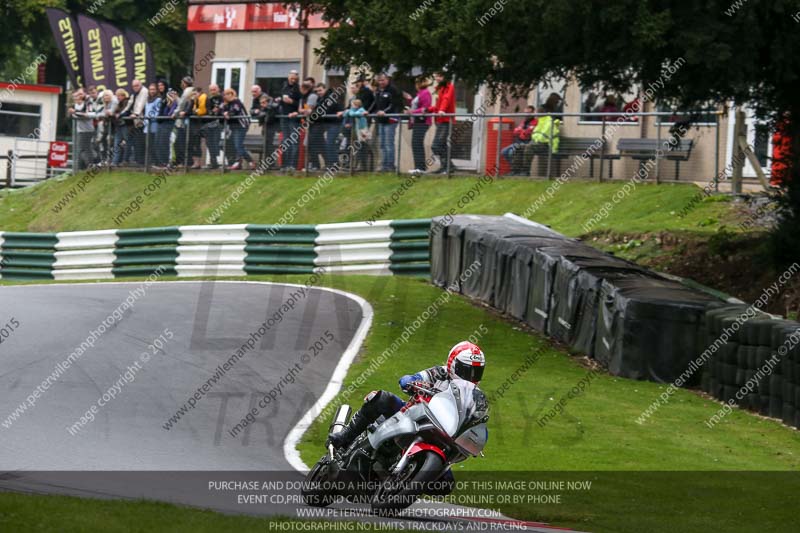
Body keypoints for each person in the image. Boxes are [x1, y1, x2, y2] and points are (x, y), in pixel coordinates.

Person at [327, 341, 488, 451]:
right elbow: (416, 378)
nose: (471, 377)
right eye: (467, 371)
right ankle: (345, 437)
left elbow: (477, 420)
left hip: (442, 433)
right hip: (412, 416)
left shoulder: (475, 397)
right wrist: (412, 381)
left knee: (446, 485)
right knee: (382, 398)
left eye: (476, 372)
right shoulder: (440, 373)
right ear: (453, 365)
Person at [523, 93, 562, 177]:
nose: (537, 114)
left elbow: (545, 136)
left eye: (538, 112)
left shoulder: (550, 121)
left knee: (528, 147)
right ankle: (518, 171)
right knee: (519, 147)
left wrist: (535, 141)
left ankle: (525, 171)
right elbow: (536, 133)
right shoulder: (541, 121)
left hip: (546, 145)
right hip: (538, 142)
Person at [373, 73, 402, 172]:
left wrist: (385, 112)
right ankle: (384, 166)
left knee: (389, 143)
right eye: (379, 80)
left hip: (390, 120)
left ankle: (390, 166)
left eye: (383, 80)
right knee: (382, 144)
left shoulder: (393, 90)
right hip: (381, 121)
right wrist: (369, 111)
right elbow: (375, 104)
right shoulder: (378, 91)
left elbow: (395, 104)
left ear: (387, 80)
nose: (381, 82)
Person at [429, 72, 456, 173]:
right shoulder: (439, 88)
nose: (437, 78)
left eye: (440, 76)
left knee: (436, 145)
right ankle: (446, 167)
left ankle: (449, 166)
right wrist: (428, 109)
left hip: (445, 120)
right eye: (436, 76)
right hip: (439, 120)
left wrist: (442, 110)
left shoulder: (449, 86)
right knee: (442, 144)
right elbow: (438, 105)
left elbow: (446, 99)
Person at [222, 88, 253, 170]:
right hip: (233, 127)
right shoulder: (226, 104)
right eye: (225, 94)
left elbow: (235, 110)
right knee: (230, 144)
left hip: (242, 125)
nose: (227, 96)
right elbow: (221, 111)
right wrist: (223, 113)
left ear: (232, 94)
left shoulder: (237, 102)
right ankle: (237, 162)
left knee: (238, 145)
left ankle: (250, 161)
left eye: (229, 94)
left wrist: (228, 113)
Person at [407, 77, 433, 174]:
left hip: (423, 121)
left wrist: (411, 111)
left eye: (416, 83)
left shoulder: (425, 93)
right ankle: (418, 167)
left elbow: (425, 108)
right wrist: (410, 100)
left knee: (417, 143)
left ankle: (420, 168)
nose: (415, 85)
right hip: (418, 122)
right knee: (416, 143)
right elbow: (417, 105)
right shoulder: (420, 93)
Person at [501, 105, 537, 175]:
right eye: (525, 113)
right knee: (504, 152)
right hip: (518, 142)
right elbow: (515, 131)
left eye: (529, 113)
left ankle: (516, 170)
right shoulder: (523, 122)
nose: (527, 115)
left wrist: (522, 131)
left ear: (533, 113)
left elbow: (528, 132)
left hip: (527, 143)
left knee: (511, 152)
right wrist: (522, 131)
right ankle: (516, 168)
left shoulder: (535, 122)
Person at [315, 83, 343, 170]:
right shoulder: (320, 99)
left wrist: (321, 113)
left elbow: (329, 108)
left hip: (335, 123)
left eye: (320, 90)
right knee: (328, 144)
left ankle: (334, 164)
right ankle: (330, 163)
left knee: (330, 143)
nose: (319, 92)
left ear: (325, 89)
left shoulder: (331, 97)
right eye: (317, 91)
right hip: (327, 124)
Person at [278, 69, 302, 170]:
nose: (293, 80)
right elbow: (279, 97)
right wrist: (280, 100)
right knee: (284, 141)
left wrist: (291, 101)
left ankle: (293, 165)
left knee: (294, 142)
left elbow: (301, 104)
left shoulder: (298, 88)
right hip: (284, 116)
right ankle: (284, 165)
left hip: (294, 118)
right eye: (291, 78)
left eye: (294, 79)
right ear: (288, 77)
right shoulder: (283, 86)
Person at [339, 98, 370, 170]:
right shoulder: (351, 110)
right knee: (349, 148)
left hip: (361, 132)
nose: (351, 106)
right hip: (353, 133)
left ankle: (362, 166)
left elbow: (352, 114)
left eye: (352, 105)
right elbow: (346, 114)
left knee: (360, 148)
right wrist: (345, 112)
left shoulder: (361, 110)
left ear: (357, 105)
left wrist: (348, 111)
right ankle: (348, 165)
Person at [91, 89, 117, 165]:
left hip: (113, 125)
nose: (105, 97)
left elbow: (110, 113)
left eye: (107, 95)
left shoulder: (114, 101)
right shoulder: (104, 103)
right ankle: (104, 160)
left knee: (110, 140)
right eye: (104, 96)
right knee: (102, 141)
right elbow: (100, 113)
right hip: (105, 125)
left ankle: (111, 160)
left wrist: (104, 114)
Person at [203, 84, 224, 169]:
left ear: (218, 89)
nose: (213, 91)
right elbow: (208, 111)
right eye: (211, 90)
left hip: (220, 124)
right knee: (209, 143)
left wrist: (218, 110)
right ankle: (213, 162)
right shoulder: (209, 99)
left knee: (217, 143)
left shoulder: (222, 98)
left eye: (214, 89)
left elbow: (223, 109)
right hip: (210, 124)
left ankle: (228, 162)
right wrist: (212, 112)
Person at [128, 79, 148, 165]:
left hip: (142, 121)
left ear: (141, 84)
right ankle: (139, 161)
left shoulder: (144, 91)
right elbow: (130, 104)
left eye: (137, 85)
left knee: (142, 142)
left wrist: (136, 114)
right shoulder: (135, 94)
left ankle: (143, 162)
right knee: (137, 142)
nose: (135, 87)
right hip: (137, 122)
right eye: (134, 86)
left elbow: (141, 104)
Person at [111, 88, 131, 166]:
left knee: (127, 142)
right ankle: (115, 161)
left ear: (123, 95)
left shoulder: (126, 102)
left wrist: (117, 114)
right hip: (119, 126)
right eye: (117, 96)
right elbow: (115, 112)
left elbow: (125, 111)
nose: (118, 97)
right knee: (117, 143)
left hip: (126, 126)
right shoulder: (119, 103)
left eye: (119, 96)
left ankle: (126, 160)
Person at [144, 83, 162, 167]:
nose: (151, 91)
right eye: (150, 89)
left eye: (153, 89)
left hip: (154, 124)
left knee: (155, 144)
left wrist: (150, 117)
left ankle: (156, 162)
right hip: (147, 125)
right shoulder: (147, 99)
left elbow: (157, 111)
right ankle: (149, 162)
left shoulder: (158, 99)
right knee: (148, 145)